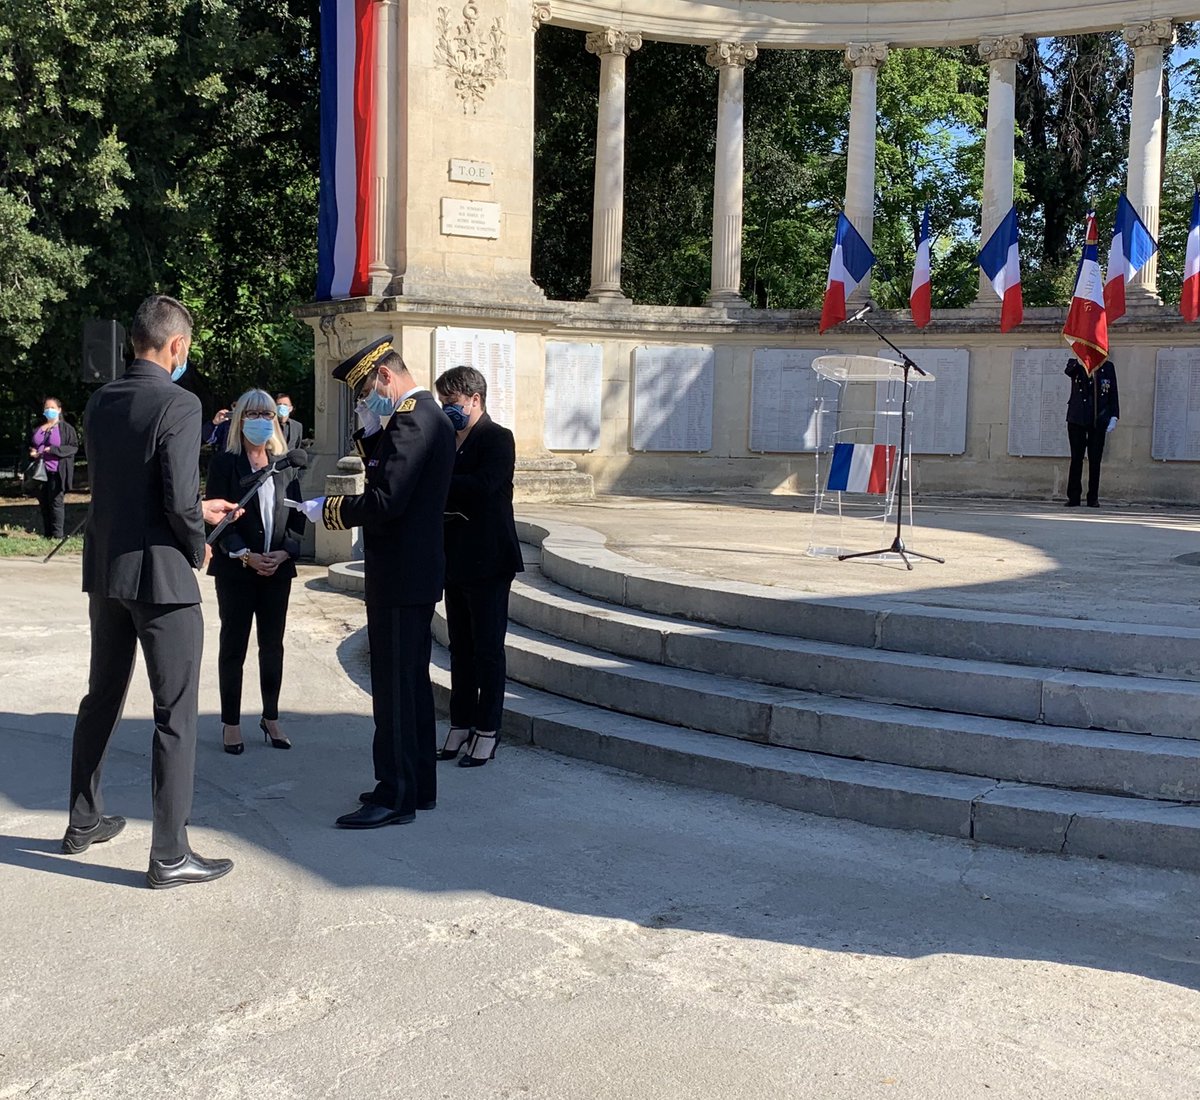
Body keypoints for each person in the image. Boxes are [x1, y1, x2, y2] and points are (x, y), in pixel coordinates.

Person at [62, 294, 240, 890]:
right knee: (175, 713)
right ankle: (170, 853)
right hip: (162, 577)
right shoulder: (181, 403)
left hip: (107, 572)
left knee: (101, 696)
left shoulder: (99, 400)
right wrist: (199, 538)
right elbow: (176, 494)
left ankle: (82, 821)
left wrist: (191, 512)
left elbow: (131, 487)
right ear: (177, 345)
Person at [288, 337, 454, 829]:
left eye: (364, 391)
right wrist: (368, 433)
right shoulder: (425, 417)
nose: (365, 401)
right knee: (411, 686)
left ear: (384, 375)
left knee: (394, 689)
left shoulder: (411, 420)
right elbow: (391, 471)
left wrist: (330, 511)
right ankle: (418, 784)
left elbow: (385, 500)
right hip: (414, 572)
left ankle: (394, 794)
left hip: (401, 575)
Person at [205, 389, 306, 756]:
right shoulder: (224, 464)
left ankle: (271, 716)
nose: (262, 420)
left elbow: (297, 515)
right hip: (237, 570)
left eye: (267, 413)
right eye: (253, 413)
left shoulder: (285, 463)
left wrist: (285, 551)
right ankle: (231, 723)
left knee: (272, 645)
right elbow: (216, 521)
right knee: (234, 646)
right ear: (239, 419)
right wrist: (244, 555)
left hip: (276, 569)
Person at [433, 366, 523, 768]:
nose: (447, 410)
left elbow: (485, 485)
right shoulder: (446, 440)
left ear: (475, 400)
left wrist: (439, 481)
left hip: (488, 558)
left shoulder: (497, 438)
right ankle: (460, 722)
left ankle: (488, 729)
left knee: (487, 648)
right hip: (455, 557)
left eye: (452, 403)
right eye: (443, 403)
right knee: (460, 647)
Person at [1065, 357, 1119, 508]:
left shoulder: (1107, 367)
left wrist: (1114, 415)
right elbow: (1069, 371)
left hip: (1098, 419)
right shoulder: (1075, 364)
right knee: (1076, 459)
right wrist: (1081, 361)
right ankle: (1074, 497)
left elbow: (1113, 392)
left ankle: (1093, 497)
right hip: (1077, 418)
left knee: (1095, 461)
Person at [28, 397, 79, 539]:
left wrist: (54, 450)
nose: (49, 410)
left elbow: (73, 447)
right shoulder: (38, 428)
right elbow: (31, 444)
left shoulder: (66, 429)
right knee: (44, 503)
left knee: (56, 502)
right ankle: (47, 534)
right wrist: (32, 452)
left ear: (59, 410)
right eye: (46, 408)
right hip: (39, 472)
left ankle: (57, 535)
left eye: (52, 408)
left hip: (56, 471)